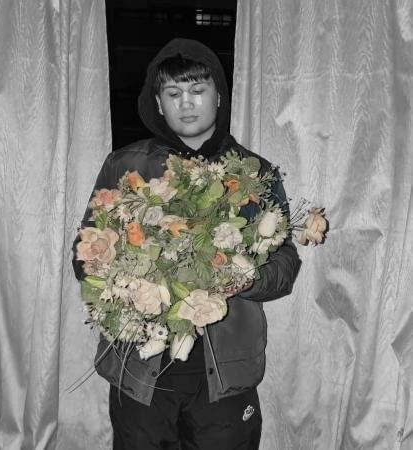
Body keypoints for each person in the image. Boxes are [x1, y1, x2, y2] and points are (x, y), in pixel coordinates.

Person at [73, 38, 301, 450]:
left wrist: (248, 278)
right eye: (173, 93)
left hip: (224, 373)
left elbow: (285, 264)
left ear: (219, 96)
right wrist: (123, 277)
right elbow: (84, 253)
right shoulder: (125, 166)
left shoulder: (254, 174)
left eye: (198, 90)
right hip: (140, 369)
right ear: (158, 103)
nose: (187, 103)